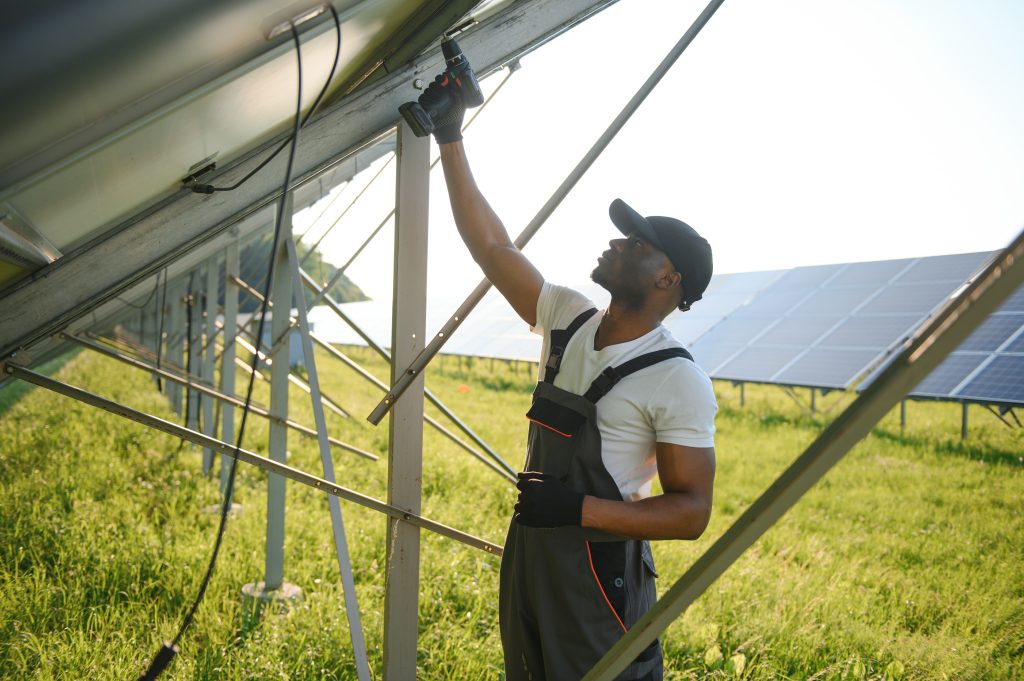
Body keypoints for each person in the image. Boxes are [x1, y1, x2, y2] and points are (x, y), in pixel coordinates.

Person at [418, 75, 717, 681]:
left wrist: (580, 508)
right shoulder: (569, 319)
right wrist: (450, 134)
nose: (616, 243)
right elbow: (493, 246)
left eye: (636, 243)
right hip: (532, 549)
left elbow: (691, 513)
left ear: (669, 281)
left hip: (598, 571)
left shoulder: (674, 378)